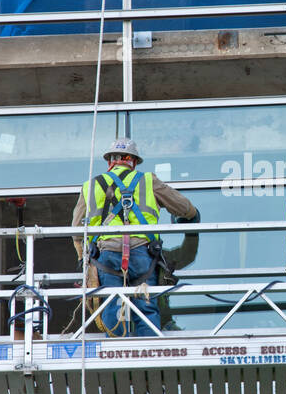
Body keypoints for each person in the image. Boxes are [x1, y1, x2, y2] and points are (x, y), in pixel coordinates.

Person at [73, 138, 199, 337]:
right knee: (146, 308)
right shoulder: (148, 181)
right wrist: (193, 216)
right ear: (133, 161)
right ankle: (147, 354)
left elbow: (77, 230)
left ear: (110, 162)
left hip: (108, 255)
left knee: (112, 307)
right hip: (143, 255)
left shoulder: (90, 185)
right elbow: (184, 207)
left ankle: (116, 356)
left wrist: (83, 259)